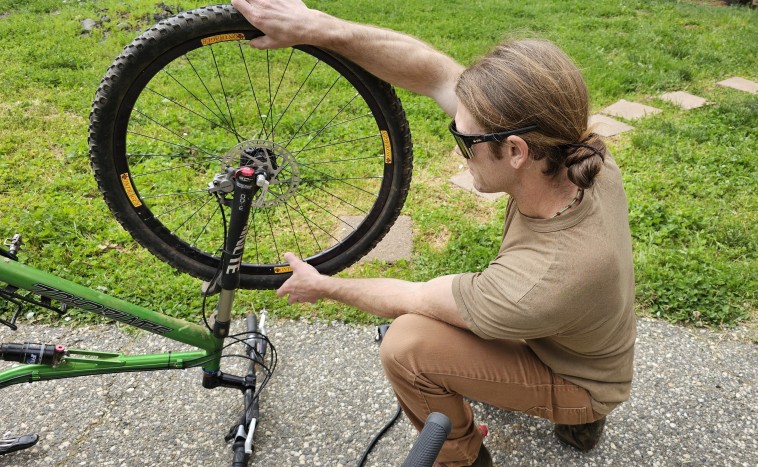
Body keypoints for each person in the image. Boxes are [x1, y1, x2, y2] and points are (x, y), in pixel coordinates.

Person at [231, 1, 636, 466]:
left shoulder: (539, 281)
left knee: (407, 347)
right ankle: (574, 418)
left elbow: (417, 298)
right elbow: (435, 74)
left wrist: (323, 286)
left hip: (580, 381)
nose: (459, 148)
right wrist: (319, 28)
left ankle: (463, 458)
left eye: (465, 141)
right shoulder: (580, 156)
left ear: (516, 151)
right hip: (580, 332)